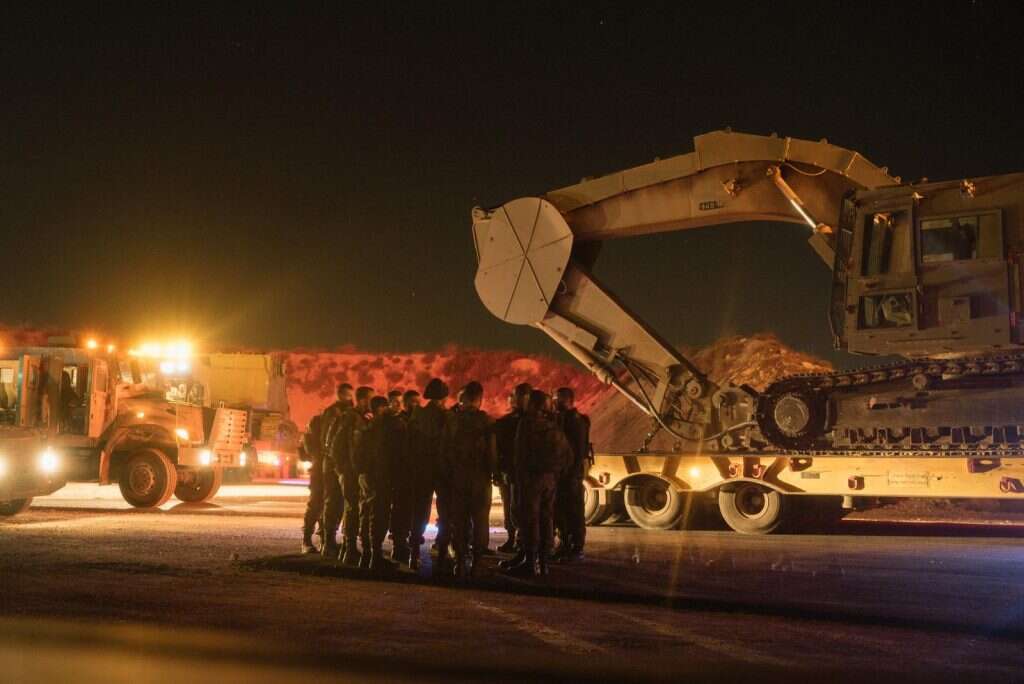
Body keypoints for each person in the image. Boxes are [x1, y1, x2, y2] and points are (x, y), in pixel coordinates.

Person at [505, 390, 572, 577]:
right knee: (546, 519)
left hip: (530, 480)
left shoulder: (527, 425)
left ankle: (529, 563)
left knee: (530, 520)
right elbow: (568, 455)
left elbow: (519, 455)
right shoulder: (554, 425)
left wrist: (519, 478)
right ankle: (543, 564)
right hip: (550, 480)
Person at [442, 381, 496, 578]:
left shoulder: (453, 421)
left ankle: (459, 562)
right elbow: (492, 454)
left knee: (459, 520)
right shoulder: (487, 421)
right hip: (480, 480)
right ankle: (477, 562)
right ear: (479, 399)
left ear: (462, 399)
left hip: (458, 478)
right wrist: (493, 473)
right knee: (481, 521)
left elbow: (445, 450)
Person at [408, 378, 448, 573]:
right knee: (445, 511)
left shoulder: (418, 415)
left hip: (421, 469)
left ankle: (414, 552)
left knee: (420, 511)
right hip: (441, 470)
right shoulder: (446, 417)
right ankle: (442, 551)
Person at [355, 395, 398, 571]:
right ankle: (375, 556)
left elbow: (357, 454)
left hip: (366, 476)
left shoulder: (367, 427)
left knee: (365, 513)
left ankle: (366, 555)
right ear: (382, 408)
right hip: (381, 477)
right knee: (379, 516)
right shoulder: (388, 428)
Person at [330, 385, 372, 565]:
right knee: (352, 508)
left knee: (356, 508)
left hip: (357, 471)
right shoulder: (350, 418)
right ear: (363, 399)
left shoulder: (361, 418)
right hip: (349, 472)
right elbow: (336, 445)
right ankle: (349, 549)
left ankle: (350, 549)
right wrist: (341, 470)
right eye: (370, 399)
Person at [553, 387, 591, 562]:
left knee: (574, 512)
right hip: (563, 474)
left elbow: (577, 450)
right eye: (555, 399)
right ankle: (565, 544)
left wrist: (573, 474)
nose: (556, 402)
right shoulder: (563, 419)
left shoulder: (575, 422)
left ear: (569, 401)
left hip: (571, 474)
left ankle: (576, 548)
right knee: (561, 511)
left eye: (559, 399)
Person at [494, 383, 531, 557]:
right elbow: (499, 449)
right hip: (511, 473)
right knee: (510, 508)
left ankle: (523, 544)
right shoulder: (507, 422)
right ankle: (514, 539)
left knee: (523, 510)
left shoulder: (531, 422)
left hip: (525, 474)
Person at [319, 383, 354, 559]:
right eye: (346, 395)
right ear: (339, 395)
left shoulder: (350, 412)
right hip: (334, 464)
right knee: (333, 502)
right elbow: (327, 440)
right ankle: (328, 541)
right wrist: (336, 462)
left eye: (350, 395)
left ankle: (333, 541)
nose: (348, 398)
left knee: (343, 503)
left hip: (343, 465)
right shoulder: (333, 413)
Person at [385, 389, 416, 564]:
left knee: (405, 510)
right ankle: (397, 544)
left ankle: (401, 543)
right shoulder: (391, 422)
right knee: (397, 510)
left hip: (407, 472)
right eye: (393, 402)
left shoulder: (408, 421)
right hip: (395, 472)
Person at [299, 413, 324, 554]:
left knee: (321, 507)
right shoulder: (313, 437)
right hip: (319, 473)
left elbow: (304, 455)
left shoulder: (310, 436)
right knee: (316, 506)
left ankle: (319, 540)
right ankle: (307, 540)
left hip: (322, 472)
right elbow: (306, 454)